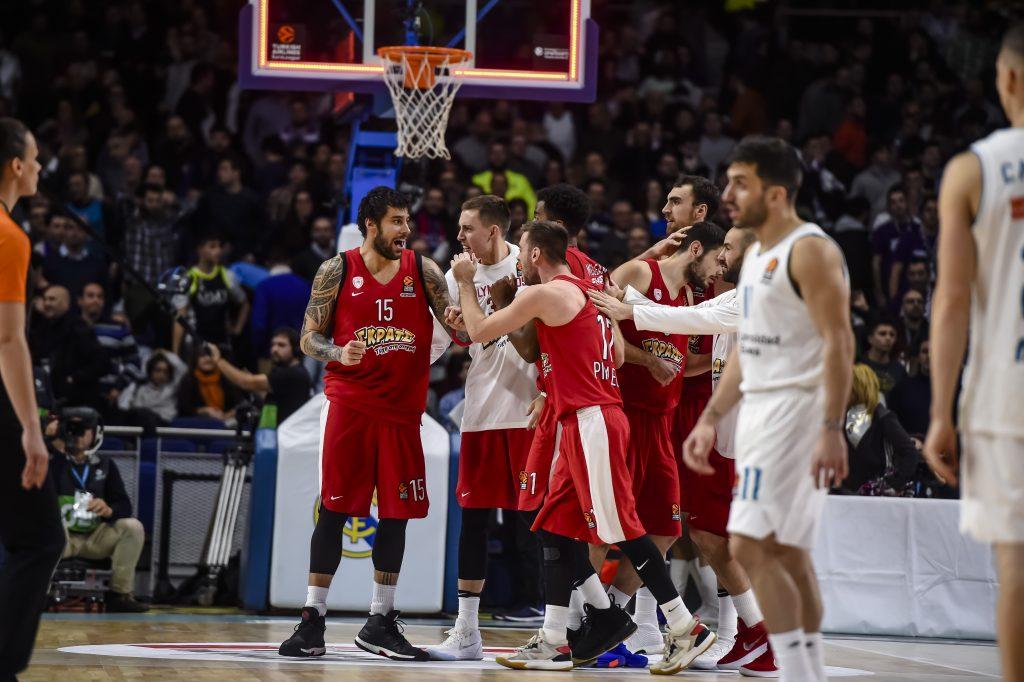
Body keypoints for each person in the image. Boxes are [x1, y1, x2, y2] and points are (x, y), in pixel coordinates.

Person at [448, 220, 716, 673]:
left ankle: (684, 626)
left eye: (522, 254)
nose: (518, 263)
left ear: (534, 255)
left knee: (625, 530)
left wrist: (466, 283)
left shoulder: (545, 291)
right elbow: (611, 355)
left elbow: (477, 332)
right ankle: (558, 638)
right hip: (578, 419)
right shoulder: (587, 297)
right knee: (553, 527)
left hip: (593, 421)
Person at [684, 136, 853, 682]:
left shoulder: (812, 250)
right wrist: (711, 417)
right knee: (783, 554)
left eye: (740, 183)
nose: (729, 192)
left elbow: (840, 343)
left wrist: (832, 428)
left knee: (756, 546)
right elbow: (745, 352)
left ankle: (797, 666)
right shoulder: (756, 259)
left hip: (799, 419)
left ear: (775, 193)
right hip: (758, 418)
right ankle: (804, 668)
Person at [278, 186, 464, 662]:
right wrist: (338, 351)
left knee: (398, 515)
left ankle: (380, 619)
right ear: (371, 224)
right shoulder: (336, 269)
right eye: (397, 221)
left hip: (403, 412)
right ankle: (312, 619)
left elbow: (459, 331)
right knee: (335, 509)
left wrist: (467, 309)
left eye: (408, 221)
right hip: (350, 406)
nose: (407, 230)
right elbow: (307, 338)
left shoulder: (423, 271)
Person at [589, 225, 778, 675]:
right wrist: (630, 302)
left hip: (747, 437)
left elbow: (698, 320)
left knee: (712, 537)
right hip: (724, 434)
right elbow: (704, 315)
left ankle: (757, 633)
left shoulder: (758, 295)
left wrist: (628, 306)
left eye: (730, 249)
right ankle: (750, 633)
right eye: (722, 248)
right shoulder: (732, 294)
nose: (723, 258)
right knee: (706, 536)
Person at [924, 24, 1024, 682]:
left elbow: (953, 301)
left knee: (1016, 565)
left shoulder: (974, 169)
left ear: (1008, 78)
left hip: (1004, 396)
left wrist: (939, 414)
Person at [590, 221, 725, 657]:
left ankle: (613, 611)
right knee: (600, 529)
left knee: (665, 531)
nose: (717, 271)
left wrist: (730, 357)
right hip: (624, 416)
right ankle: (581, 619)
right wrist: (646, 359)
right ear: (696, 249)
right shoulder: (639, 273)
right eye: (715, 260)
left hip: (661, 425)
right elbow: (594, 334)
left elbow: (680, 364)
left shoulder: (687, 299)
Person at [427, 196, 540, 661]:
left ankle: (558, 622)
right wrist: (454, 328)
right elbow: (448, 339)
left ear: (493, 231)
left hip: (530, 409)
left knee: (537, 521)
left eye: (467, 228)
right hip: (481, 412)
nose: (459, 238)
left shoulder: (529, 266)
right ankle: (466, 630)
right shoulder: (458, 278)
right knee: (473, 519)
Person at [0, 117, 66, 679]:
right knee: (41, 539)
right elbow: (7, 338)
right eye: (37, 158)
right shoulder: (8, 235)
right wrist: (30, 428)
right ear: (16, 166)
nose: (42, 168)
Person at [47, 407, 148, 612]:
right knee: (49, 526)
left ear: (95, 433)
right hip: (63, 536)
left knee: (133, 527)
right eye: (71, 428)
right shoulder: (51, 461)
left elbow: (124, 506)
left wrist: (109, 509)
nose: (76, 434)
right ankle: (41, 592)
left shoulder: (105, 465)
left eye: (83, 429)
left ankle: (119, 594)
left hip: (94, 536)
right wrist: (56, 447)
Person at [841, 365, 920, 495]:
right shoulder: (842, 418)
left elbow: (910, 453)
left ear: (859, 387)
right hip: (847, 494)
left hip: (876, 497)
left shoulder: (883, 417)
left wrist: (892, 484)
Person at [208, 328, 311, 423]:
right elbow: (269, 395)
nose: (274, 349)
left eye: (281, 345)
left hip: (289, 436)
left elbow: (245, 382)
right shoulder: (293, 372)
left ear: (296, 349)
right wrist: (253, 384)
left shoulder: (291, 373)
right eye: (273, 344)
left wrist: (218, 360)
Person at [29, 284, 108, 408]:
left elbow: (102, 362)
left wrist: (74, 378)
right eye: (45, 299)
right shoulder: (43, 328)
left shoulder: (78, 328)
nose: (47, 303)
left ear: (65, 303)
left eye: (52, 299)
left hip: (78, 401)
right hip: (49, 397)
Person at [172, 233, 250, 357]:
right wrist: (175, 353)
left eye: (219, 246)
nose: (218, 251)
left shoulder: (227, 275)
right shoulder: (189, 278)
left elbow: (244, 303)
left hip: (222, 343)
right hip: (196, 344)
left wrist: (237, 329)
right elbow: (179, 318)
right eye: (212, 247)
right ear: (200, 249)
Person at [176, 348, 244, 422]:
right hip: (198, 422)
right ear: (195, 359)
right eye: (202, 356)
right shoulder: (189, 379)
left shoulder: (225, 377)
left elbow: (239, 402)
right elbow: (184, 408)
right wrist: (205, 411)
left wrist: (228, 414)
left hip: (226, 421)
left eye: (211, 355)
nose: (208, 359)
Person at [859, 319, 907, 398]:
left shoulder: (899, 370)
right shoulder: (858, 366)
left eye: (892, 335)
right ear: (870, 339)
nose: (888, 338)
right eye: (882, 334)